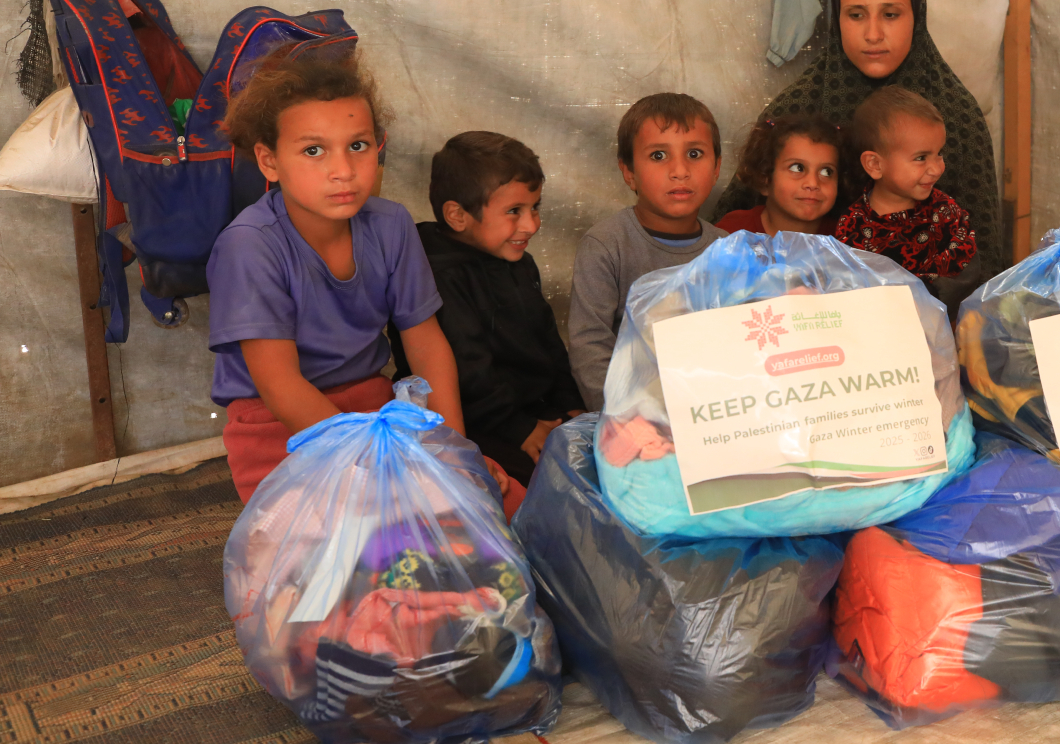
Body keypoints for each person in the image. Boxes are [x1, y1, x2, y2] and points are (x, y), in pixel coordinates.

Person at [209, 50, 509, 507]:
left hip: (375, 407)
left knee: (498, 503)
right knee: (377, 533)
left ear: (378, 145)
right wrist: (387, 468)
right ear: (269, 161)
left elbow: (426, 343)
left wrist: (451, 451)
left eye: (358, 146)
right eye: (313, 151)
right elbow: (280, 386)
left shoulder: (391, 224)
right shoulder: (250, 245)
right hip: (276, 426)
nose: (343, 171)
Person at [715, 0, 1004, 286]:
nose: (873, 34)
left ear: (917, 17)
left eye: (890, 14)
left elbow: (984, 253)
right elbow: (736, 230)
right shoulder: (797, 108)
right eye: (856, 15)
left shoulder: (956, 114)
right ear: (836, 21)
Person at [391, 131, 585, 487]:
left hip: (532, 410)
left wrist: (570, 403)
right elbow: (469, 372)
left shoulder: (518, 262)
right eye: (514, 211)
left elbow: (548, 341)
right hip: (478, 422)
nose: (531, 224)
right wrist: (522, 429)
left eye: (535, 207)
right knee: (548, 483)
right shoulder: (437, 276)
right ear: (458, 215)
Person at [569, 93, 726, 412]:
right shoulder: (606, 246)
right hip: (632, 417)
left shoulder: (727, 250)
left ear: (716, 168)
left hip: (715, 411)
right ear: (629, 173)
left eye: (694, 153)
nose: (680, 170)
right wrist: (624, 420)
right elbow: (589, 347)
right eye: (658, 155)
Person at [834, 86, 977, 280]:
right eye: (921, 158)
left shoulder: (946, 212)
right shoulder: (852, 227)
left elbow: (968, 276)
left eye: (939, 153)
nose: (936, 169)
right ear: (875, 165)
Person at [715, 114, 845, 236]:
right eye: (797, 168)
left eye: (826, 172)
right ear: (765, 178)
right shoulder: (733, 232)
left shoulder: (845, 237)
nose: (813, 183)